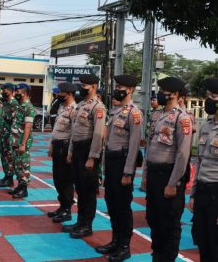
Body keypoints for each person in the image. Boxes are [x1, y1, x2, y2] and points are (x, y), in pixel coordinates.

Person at [142, 77, 193, 262]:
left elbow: (182, 154)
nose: (161, 94)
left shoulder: (182, 118)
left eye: (165, 91)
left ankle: (167, 258)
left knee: (169, 224)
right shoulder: (156, 115)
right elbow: (149, 147)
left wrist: (173, 183)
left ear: (176, 94)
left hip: (169, 176)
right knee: (153, 219)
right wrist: (145, 174)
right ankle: (157, 256)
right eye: (160, 90)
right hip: (154, 174)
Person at [95, 74, 143, 261]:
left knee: (123, 207)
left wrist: (128, 171)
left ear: (130, 90)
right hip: (112, 163)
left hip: (123, 163)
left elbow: (134, 145)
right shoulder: (116, 111)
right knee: (112, 203)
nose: (117, 89)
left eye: (121, 86)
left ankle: (124, 246)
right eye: (117, 86)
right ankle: (115, 240)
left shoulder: (134, 113)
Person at [64, 74, 106, 238]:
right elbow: (74, 131)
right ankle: (80, 221)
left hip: (88, 150)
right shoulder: (81, 105)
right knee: (79, 188)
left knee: (88, 190)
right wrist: (70, 152)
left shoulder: (98, 107)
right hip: (78, 150)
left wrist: (92, 157)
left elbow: (98, 134)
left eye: (85, 85)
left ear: (94, 87)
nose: (82, 87)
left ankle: (87, 225)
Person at [188, 78, 218, 262]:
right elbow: (199, 162)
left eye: (214, 96)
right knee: (201, 238)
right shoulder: (206, 126)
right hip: (203, 191)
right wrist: (193, 194)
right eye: (208, 96)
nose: (209, 100)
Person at [47, 82, 77, 223]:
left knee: (66, 180)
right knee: (57, 179)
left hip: (66, 147)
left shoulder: (74, 110)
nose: (58, 95)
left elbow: (73, 134)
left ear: (69, 94)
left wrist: (70, 152)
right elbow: (56, 129)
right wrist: (51, 145)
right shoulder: (61, 107)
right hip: (57, 146)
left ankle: (67, 210)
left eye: (61, 93)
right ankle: (62, 206)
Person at [8, 83, 35, 198]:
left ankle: (24, 189)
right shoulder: (20, 106)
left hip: (21, 142)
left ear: (23, 93)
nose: (16, 94)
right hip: (15, 141)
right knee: (16, 165)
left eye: (18, 92)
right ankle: (19, 186)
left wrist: (23, 144)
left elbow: (28, 127)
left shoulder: (28, 107)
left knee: (23, 165)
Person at [0, 83, 18, 188]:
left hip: (9, 135)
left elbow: (14, 120)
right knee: (4, 156)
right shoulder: (5, 103)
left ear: (10, 91)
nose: (3, 92)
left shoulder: (14, 103)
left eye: (5, 91)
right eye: (2, 90)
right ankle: (6, 176)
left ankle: (9, 179)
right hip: (3, 134)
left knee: (9, 157)